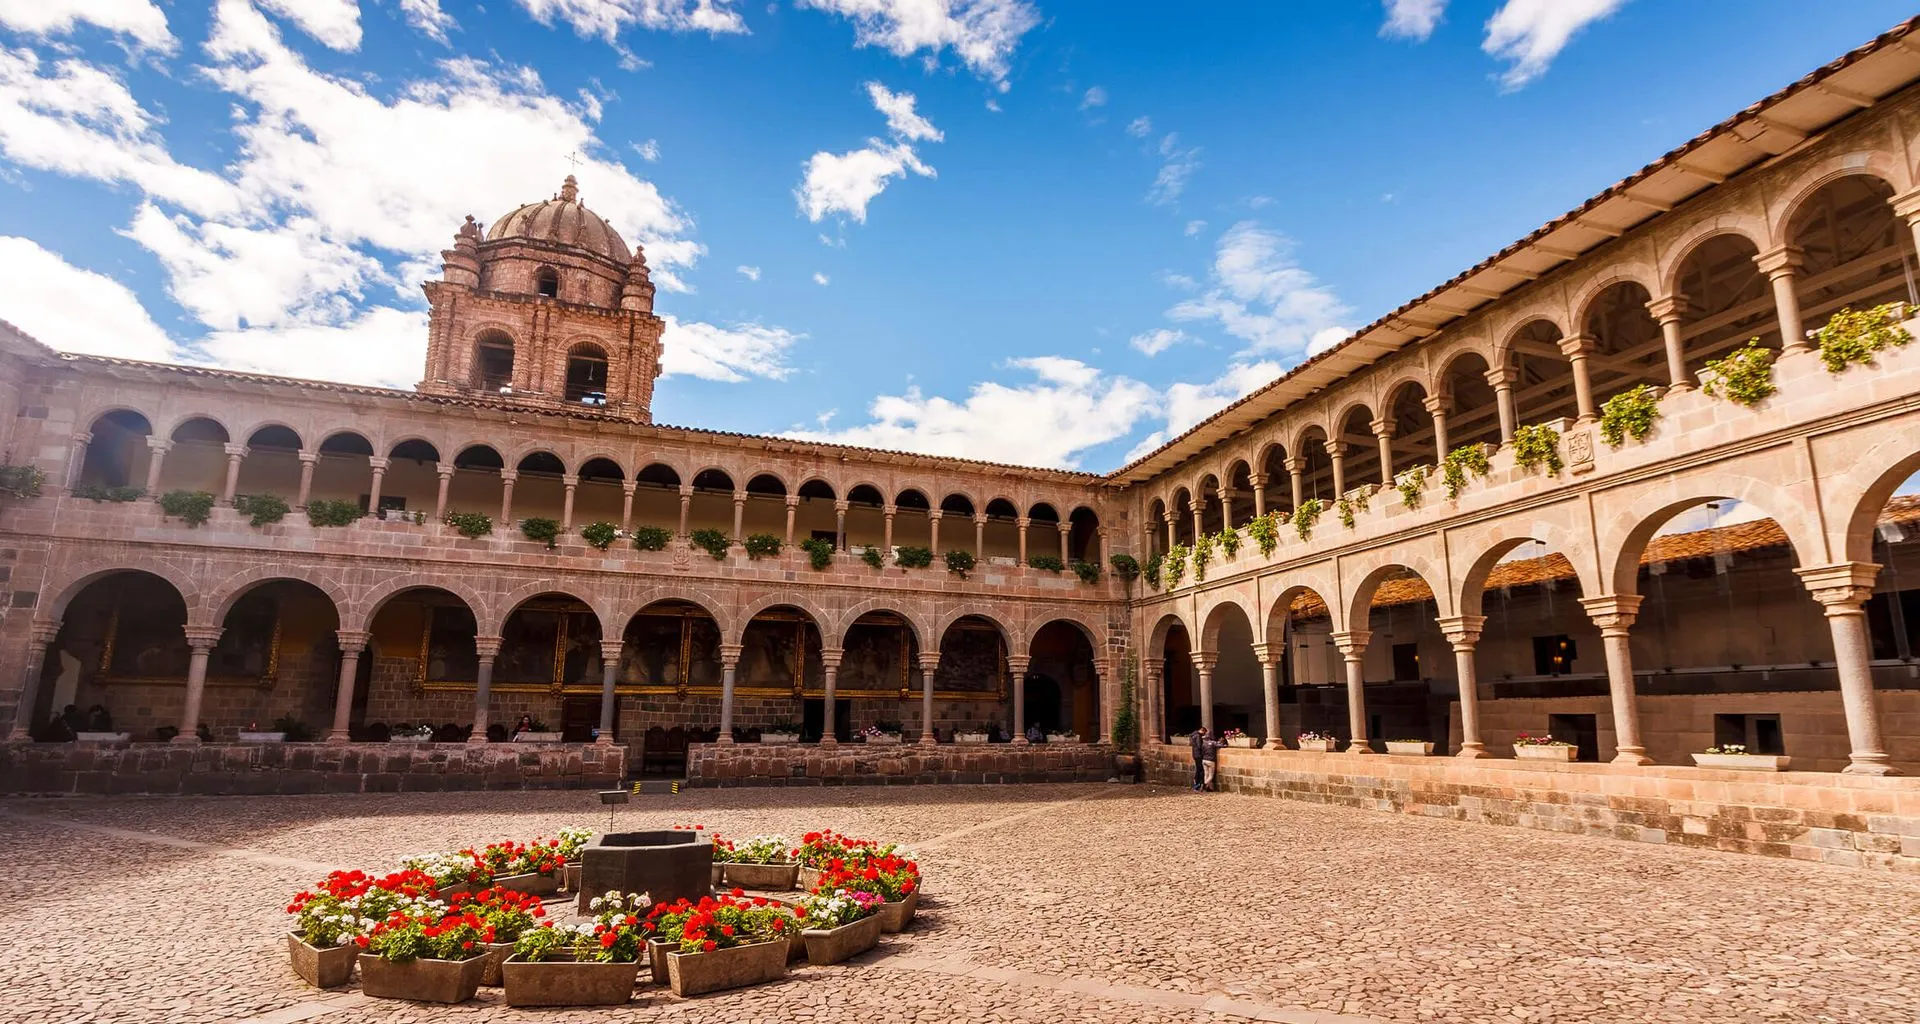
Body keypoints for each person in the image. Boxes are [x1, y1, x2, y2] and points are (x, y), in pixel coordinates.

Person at [1188, 726, 1208, 791]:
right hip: (1198, 755)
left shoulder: (1193, 735)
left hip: (1195, 754)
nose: (1204, 734)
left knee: (1198, 769)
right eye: (1204, 733)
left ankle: (1196, 785)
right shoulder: (1198, 736)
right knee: (1200, 770)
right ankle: (1197, 785)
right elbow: (1199, 746)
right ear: (1202, 731)